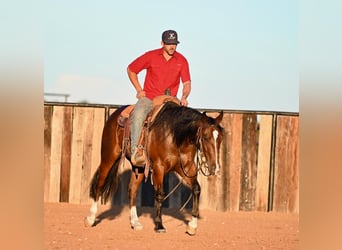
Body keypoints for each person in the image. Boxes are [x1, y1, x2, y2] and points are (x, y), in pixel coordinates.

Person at [127, 29, 191, 166]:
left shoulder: (182, 60)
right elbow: (131, 69)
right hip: (150, 97)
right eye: (169, 43)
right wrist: (139, 89)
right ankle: (136, 151)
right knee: (138, 114)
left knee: (186, 120)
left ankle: (182, 152)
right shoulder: (151, 56)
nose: (172, 46)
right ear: (162, 43)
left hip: (170, 100)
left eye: (174, 43)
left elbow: (186, 83)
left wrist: (184, 96)